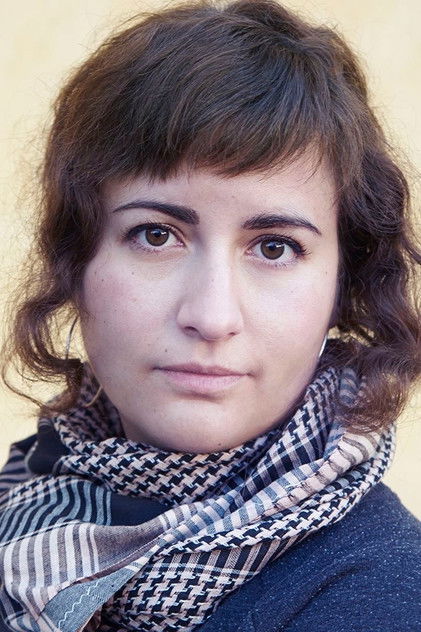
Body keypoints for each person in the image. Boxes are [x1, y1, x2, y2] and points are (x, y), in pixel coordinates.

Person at [0, 0, 420, 630]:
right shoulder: (26, 494)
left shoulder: (384, 594)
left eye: (274, 248)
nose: (212, 316)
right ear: (74, 261)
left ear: (343, 286)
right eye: (155, 236)